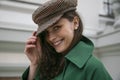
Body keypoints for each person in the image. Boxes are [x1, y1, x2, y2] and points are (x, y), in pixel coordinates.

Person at [22, 0, 112, 80]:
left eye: (57, 27)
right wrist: (34, 63)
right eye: (46, 33)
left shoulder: (93, 67)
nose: (50, 38)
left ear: (75, 23)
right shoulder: (45, 65)